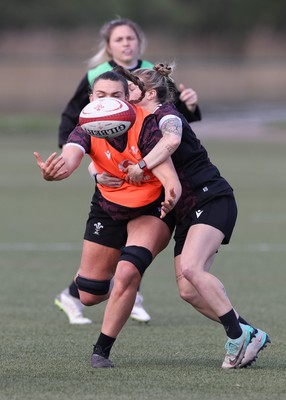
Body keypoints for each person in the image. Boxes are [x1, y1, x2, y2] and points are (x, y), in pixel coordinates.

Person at [97, 63, 270, 369]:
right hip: (185, 210)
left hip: (211, 198)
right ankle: (248, 331)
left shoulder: (167, 115)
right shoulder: (140, 123)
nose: (127, 94)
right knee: (188, 290)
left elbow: (172, 140)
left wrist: (142, 166)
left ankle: (236, 334)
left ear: (149, 93)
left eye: (132, 89)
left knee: (191, 268)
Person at [56, 17, 201, 325]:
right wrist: (81, 160)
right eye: (119, 39)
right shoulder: (97, 75)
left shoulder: (150, 70)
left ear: (139, 42)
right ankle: (93, 288)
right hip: (108, 166)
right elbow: (75, 120)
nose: (126, 43)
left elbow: (170, 116)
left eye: (130, 38)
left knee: (132, 255)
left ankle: (127, 287)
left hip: (145, 174)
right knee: (95, 282)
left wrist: (191, 105)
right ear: (108, 46)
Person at [34, 70, 182, 368]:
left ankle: (101, 350)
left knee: (128, 272)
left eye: (116, 96)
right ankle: (111, 276)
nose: (107, 103)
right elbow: (71, 158)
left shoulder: (146, 125)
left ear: (129, 99)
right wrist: (56, 172)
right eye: (101, 96)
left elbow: (171, 179)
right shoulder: (85, 127)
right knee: (89, 295)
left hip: (151, 208)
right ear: (90, 100)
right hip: (108, 207)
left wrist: (171, 193)